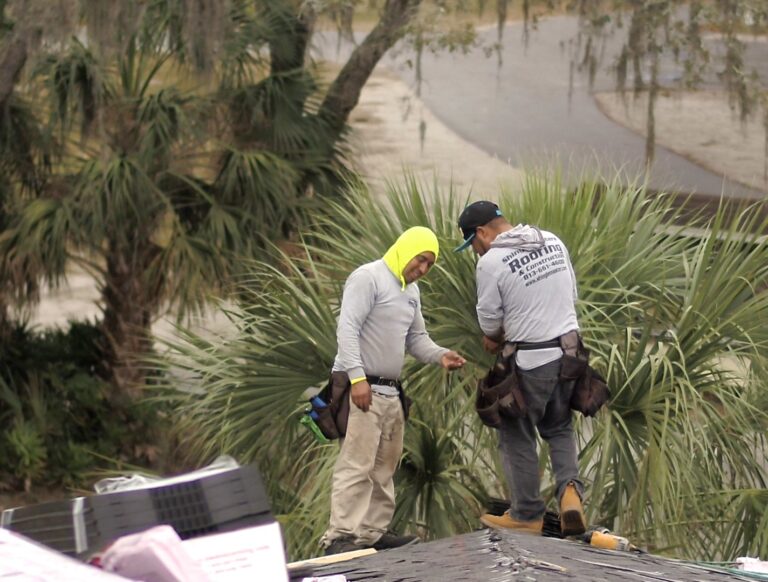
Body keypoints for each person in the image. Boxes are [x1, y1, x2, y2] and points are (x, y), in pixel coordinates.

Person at [321, 226, 466, 556]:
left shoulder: (411, 292)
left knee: (384, 466)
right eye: (421, 259)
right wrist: (357, 379)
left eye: (430, 264)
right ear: (406, 248)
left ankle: (372, 532)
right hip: (363, 388)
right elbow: (347, 328)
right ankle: (340, 536)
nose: (423, 269)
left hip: (390, 392)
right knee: (356, 464)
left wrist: (441, 354)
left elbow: (416, 339)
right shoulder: (368, 277)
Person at [454, 200, 587, 536]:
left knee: (516, 431)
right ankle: (570, 494)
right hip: (571, 353)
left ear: (482, 233)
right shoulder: (552, 240)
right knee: (558, 427)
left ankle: (527, 513)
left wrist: (495, 337)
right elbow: (571, 293)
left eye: (473, 244)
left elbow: (488, 322)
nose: (476, 252)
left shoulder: (491, 262)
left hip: (533, 360)